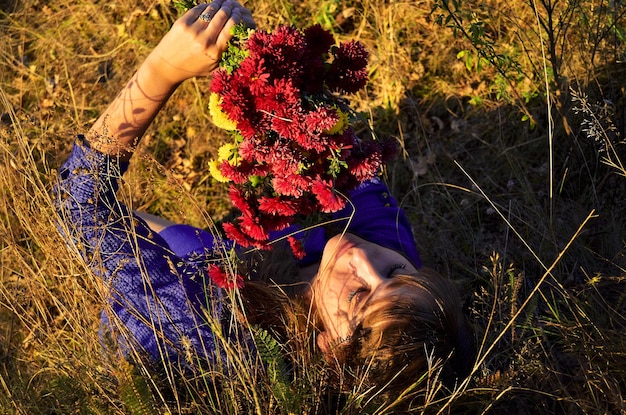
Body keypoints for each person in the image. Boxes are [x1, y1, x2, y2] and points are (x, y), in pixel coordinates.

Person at [54, 0, 475, 404]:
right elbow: (344, 152)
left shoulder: (200, 326)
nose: (363, 257)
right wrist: (267, 70)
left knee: (176, 246)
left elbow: (77, 203)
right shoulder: (392, 259)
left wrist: (162, 70)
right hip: (241, 259)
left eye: (357, 297)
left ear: (328, 349)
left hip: (153, 310)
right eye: (397, 271)